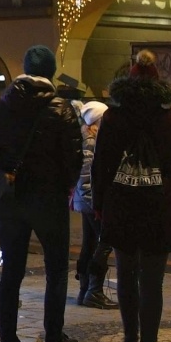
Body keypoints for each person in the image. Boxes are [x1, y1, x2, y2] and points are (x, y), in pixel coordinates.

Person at [0, 44, 83, 342]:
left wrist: (7, 170)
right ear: (50, 72)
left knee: (12, 269)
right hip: (49, 199)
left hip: (10, 199)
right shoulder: (61, 108)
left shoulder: (4, 104)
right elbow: (74, 157)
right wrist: (62, 184)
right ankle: (53, 339)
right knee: (56, 269)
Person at [92, 51, 171, 342]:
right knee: (152, 281)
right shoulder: (170, 119)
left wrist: (99, 205)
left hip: (122, 202)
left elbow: (101, 164)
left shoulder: (113, 117)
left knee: (126, 273)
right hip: (158, 204)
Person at [73, 101, 115, 310]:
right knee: (104, 242)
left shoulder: (88, 138)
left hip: (86, 201)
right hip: (91, 201)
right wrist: (94, 202)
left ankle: (85, 289)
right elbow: (86, 176)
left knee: (90, 243)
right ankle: (94, 290)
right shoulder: (90, 141)